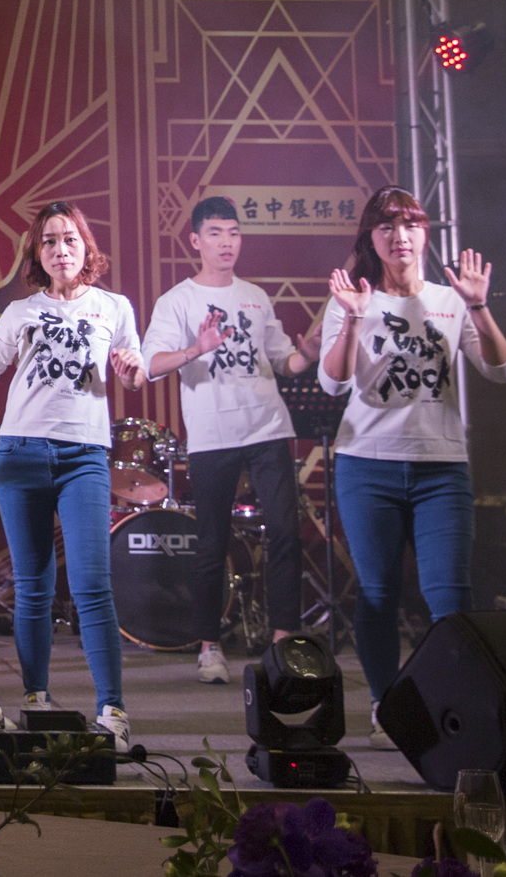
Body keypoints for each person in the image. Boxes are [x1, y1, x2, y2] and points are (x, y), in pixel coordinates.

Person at [319, 185, 506, 748]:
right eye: (386, 227)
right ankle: (387, 706)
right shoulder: (351, 299)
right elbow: (332, 382)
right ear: (371, 239)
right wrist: (354, 319)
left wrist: (478, 306)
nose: (399, 236)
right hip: (367, 465)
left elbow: (501, 370)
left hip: (440, 468)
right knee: (378, 593)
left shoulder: (451, 300)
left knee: (449, 595)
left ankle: (457, 705)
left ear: (425, 234)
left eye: (410, 225)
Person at [0, 200, 146, 751]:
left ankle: (113, 711)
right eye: (49, 241)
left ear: (86, 248)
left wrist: (132, 369)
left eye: (70, 239)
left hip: (84, 455)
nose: (61, 249)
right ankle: (36, 700)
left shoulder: (113, 307)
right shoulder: (21, 311)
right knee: (33, 586)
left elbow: (133, 372)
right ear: (37, 253)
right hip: (20, 453)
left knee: (92, 585)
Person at [141, 196, 315, 683]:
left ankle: (283, 641)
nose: (227, 242)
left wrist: (310, 354)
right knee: (211, 544)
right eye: (216, 233)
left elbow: (283, 361)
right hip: (212, 434)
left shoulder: (255, 297)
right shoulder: (176, 301)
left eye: (234, 233)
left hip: (268, 427)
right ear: (195, 240)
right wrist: (196, 348)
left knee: (285, 533)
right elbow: (151, 365)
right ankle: (209, 647)